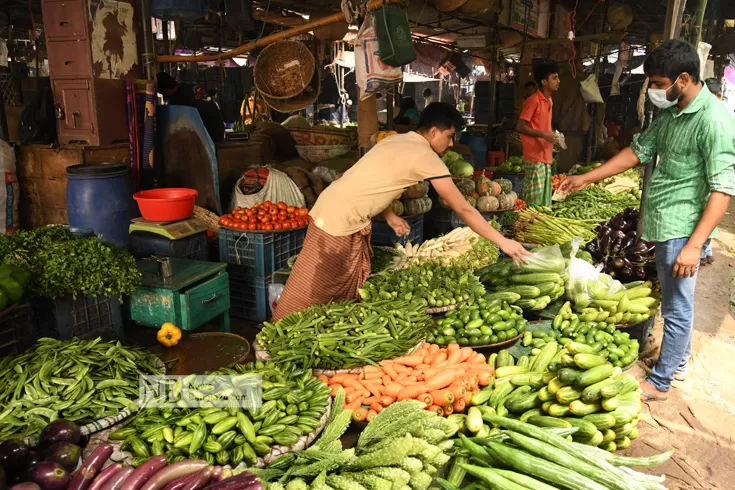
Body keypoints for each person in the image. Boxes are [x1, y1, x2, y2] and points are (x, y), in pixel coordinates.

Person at [559, 40, 735, 400]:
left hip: (682, 228)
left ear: (682, 79)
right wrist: (586, 178)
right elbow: (638, 152)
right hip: (663, 222)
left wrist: (694, 245)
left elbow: (722, 190)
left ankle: (662, 380)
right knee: (674, 300)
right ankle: (679, 361)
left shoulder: (715, 121)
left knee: (676, 306)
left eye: (657, 83)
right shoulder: (670, 114)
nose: (653, 91)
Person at [272, 102, 531, 321]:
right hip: (339, 220)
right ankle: (279, 338)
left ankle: (316, 332)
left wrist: (389, 214)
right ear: (432, 132)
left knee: (333, 284)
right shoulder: (426, 156)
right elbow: (461, 206)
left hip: (332, 209)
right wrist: (502, 242)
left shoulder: (396, 140)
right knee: (315, 289)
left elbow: (366, 180)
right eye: (449, 136)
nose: (451, 144)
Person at [516, 61, 560, 206]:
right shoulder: (533, 101)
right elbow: (520, 126)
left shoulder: (550, 100)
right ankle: (528, 226)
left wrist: (552, 136)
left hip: (545, 154)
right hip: (535, 156)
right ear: (543, 82)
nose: (558, 81)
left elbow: (543, 125)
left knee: (544, 200)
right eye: (554, 78)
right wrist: (543, 135)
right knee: (533, 201)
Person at [156, 72, 225, 143]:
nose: (165, 96)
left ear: (166, 89)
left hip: (209, 135)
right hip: (217, 129)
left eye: (163, 93)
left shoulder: (179, 99)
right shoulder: (188, 88)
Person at [700, 78, 725, 267]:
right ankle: (706, 250)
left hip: (712, 178)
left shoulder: (721, 120)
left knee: (708, 213)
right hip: (703, 179)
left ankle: (704, 250)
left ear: (718, 96)